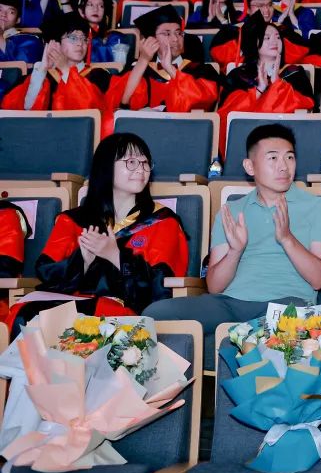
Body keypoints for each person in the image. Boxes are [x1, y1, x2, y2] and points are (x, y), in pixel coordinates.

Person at [144, 124, 321, 361]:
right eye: (273, 158)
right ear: (249, 166)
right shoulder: (231, 211)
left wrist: (287, 238)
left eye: (290, 157)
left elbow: (319, 279)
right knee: (156, 314)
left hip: (287, 306)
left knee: (284, 330)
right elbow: (215, 287)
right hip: (230, 304)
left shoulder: (318, 207)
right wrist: (235, 251)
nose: (283, 166)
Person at [7, 133, 188, 334]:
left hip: (124, 312)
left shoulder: (162, 222)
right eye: (131, 162)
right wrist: (83, 261)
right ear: (106, 166)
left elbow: (161, 290)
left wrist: (115, 256)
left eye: (145, 163)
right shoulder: (74, 220)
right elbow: (47, 274)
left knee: (79, 320)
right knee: (23, 313)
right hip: (72, 302)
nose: (141, 169)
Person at [215, 18, 315, 155]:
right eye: (267, 38)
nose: (274, 41)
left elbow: (306, 106)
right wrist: (259, 91)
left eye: (278, 37)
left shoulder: (294, 73)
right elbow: (228, 114)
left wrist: (277, 84)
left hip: (286, 139)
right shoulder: (238, 75)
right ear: (254, 43)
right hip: (248, 140)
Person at [107, 5, 221, 112]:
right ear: (152, 39)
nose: (175, 39)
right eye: (167, 34)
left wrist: (170, 68)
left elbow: (201, 103)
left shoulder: (201, 70)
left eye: (179, 33)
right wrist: (143, 60)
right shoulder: (141, 71)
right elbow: (122, 105)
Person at [1, 13, 113, 119]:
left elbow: (92, 112)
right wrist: (42, 70)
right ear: (55, 42)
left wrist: (65, 69)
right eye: (73, 38)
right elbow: (24, 111)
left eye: (84, 39)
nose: (80, 43)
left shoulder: (98, 76)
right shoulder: (41, 76)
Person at [0, 0, 43, 66]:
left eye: (11, 12)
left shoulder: (31, 41)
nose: (3, 14)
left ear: (18, 19)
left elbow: (18, 70)